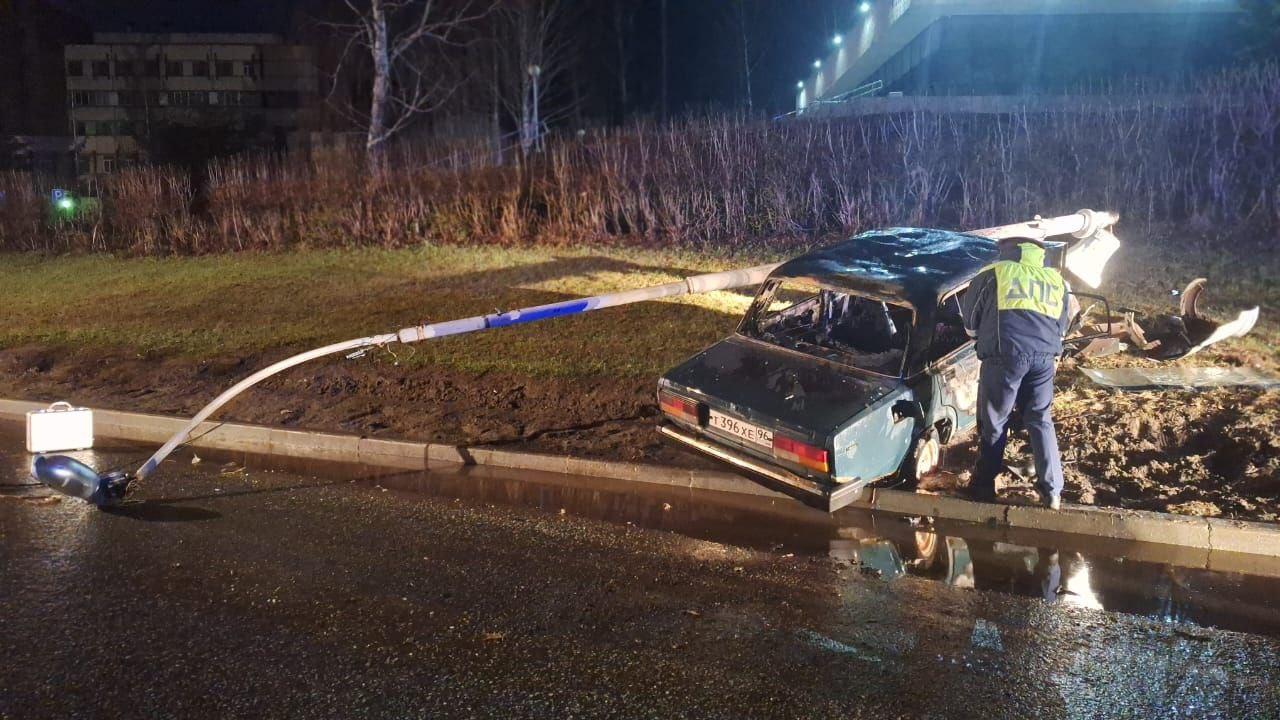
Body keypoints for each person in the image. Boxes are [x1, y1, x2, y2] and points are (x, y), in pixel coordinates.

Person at [960, 236, 1071, 509]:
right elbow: (1063, 325)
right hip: (1044, 358)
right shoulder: (1056, 280)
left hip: (1004, 355)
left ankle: (984, 485)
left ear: (1004, 251)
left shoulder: (992, 274)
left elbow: (970, 324)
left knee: (996, 420)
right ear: (1039, 254)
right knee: (1040, 418)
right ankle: (1052, 491)